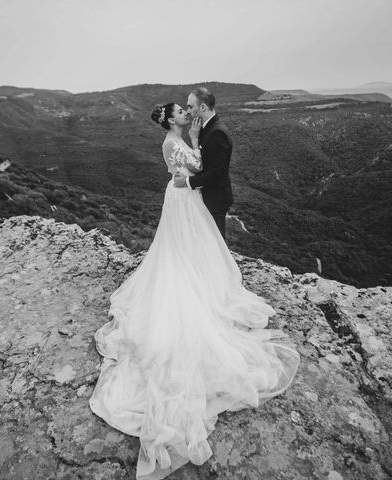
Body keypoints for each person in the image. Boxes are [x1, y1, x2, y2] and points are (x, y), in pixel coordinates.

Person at [89, 99, 300, 480]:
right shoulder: (172, 143)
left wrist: (196, 163)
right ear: (170, 120)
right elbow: (184, 170)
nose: (186, 114)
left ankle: (199, 280)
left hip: (190, 198)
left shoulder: (187, 135)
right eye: (180, 112)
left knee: (194, 250)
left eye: (188, 110)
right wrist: (192, 169)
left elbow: (198, 166)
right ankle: (190, 288)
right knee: (182, 251)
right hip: (182, 199)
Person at [173, 87, 232, 241]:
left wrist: (186, 181)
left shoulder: (217, 132)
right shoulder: (205, 128)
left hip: (215, 200)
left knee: (217, 244)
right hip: (208, 197)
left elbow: (215, 173)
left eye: (190, 106)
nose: (188, 111)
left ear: (203, 107)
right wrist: (195, 138)